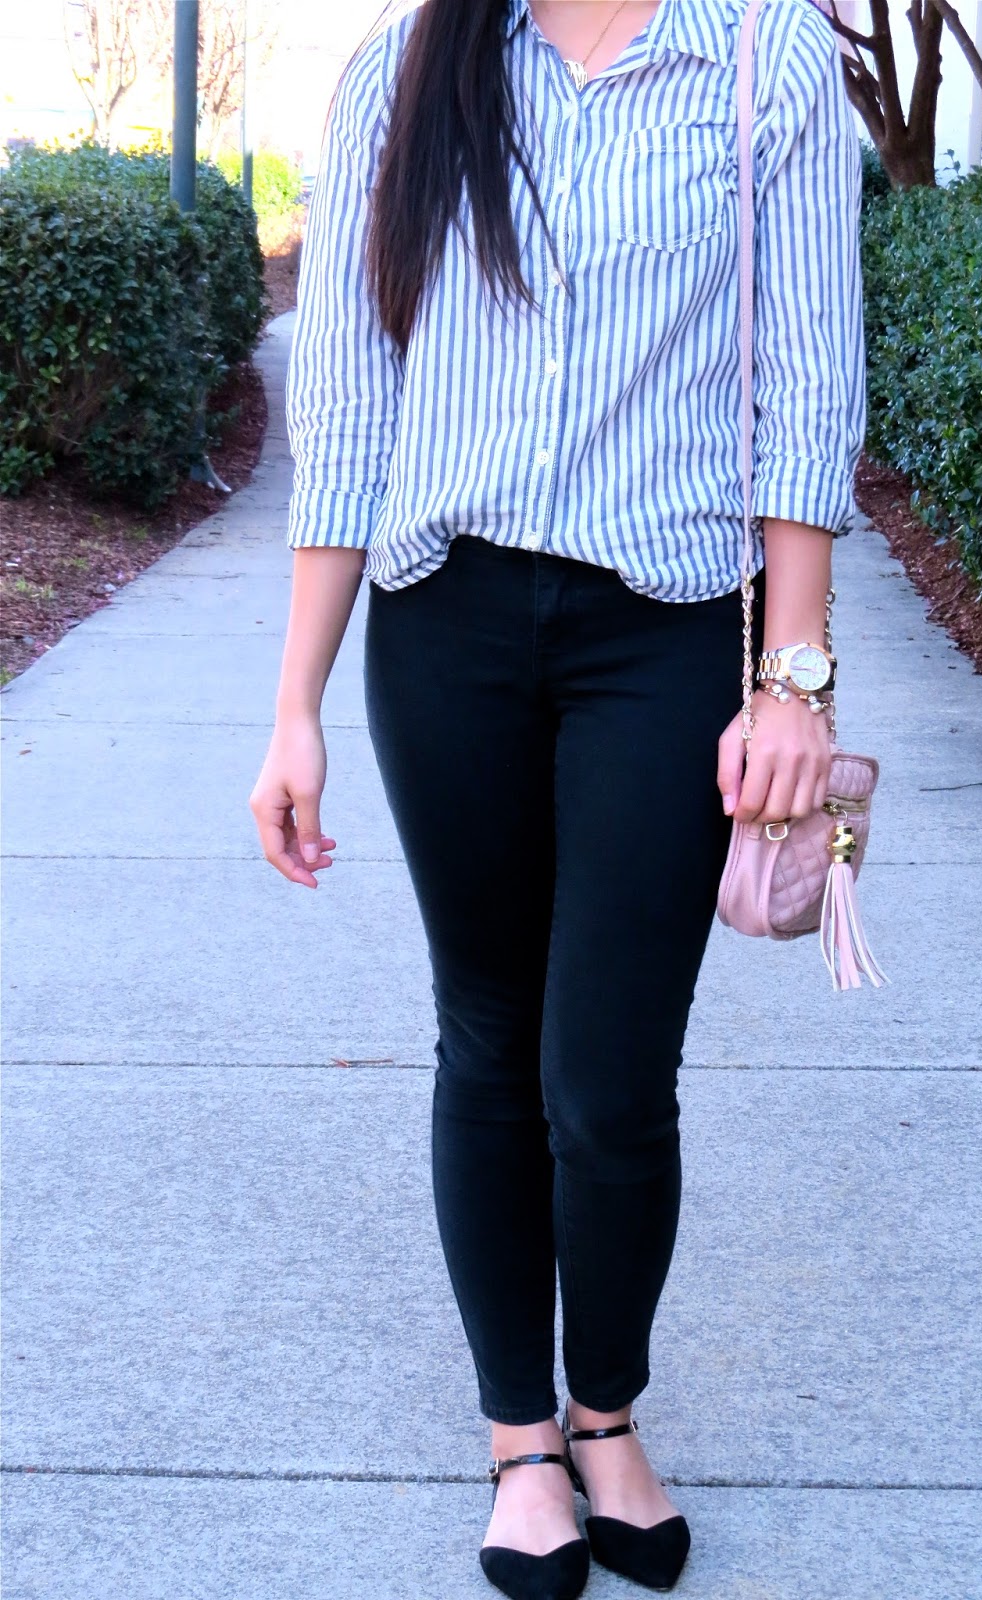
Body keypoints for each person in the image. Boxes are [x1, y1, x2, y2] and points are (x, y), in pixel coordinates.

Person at [250, 1, 865, 1595]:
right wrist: (294, 706)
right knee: (486, 1038)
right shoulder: (404, 67)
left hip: (662, 632)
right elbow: (349, 402)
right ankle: (521, 1438)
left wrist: (792, 679)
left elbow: (807, 385)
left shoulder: (764, 58)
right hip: (444, 621)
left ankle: (607, 1413)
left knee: (607, 1076)